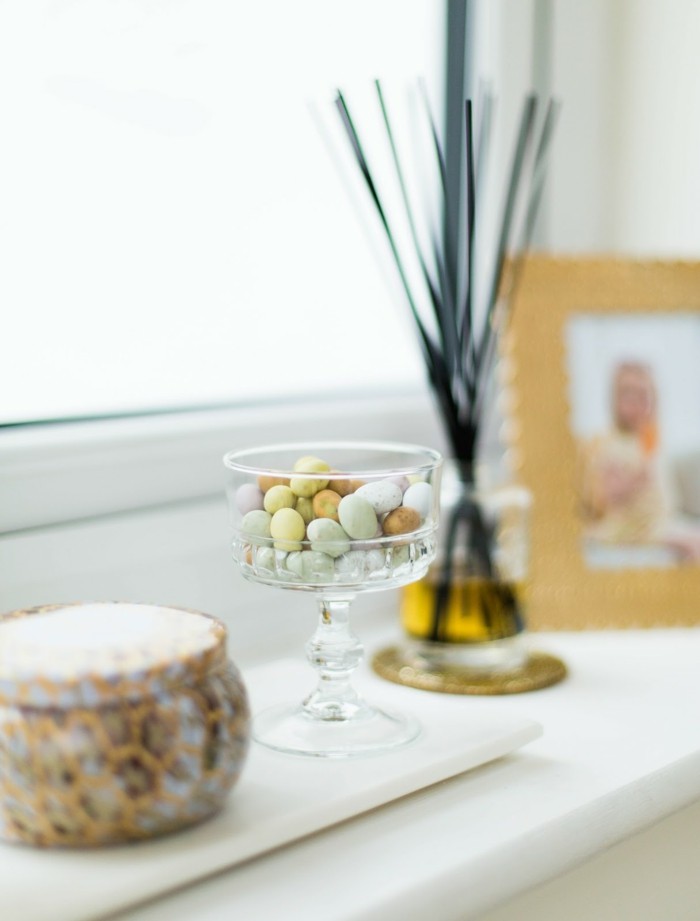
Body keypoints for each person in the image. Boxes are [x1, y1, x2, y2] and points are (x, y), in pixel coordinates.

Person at [579, 361, 666, 545]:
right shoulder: (611, 444)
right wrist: (635, 480)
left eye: (644, 395)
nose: (638, 403)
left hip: (655, 522)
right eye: (629, 395)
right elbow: (608, 493)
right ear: (615, 400)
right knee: (692, 542)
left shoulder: (646, 440)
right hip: (629, 527)